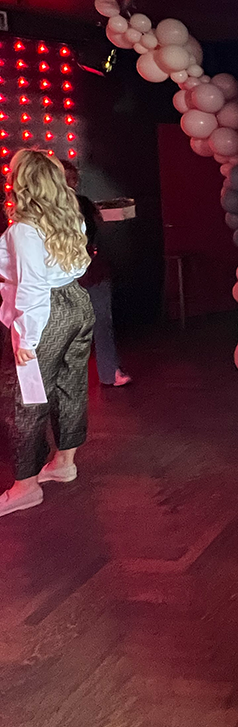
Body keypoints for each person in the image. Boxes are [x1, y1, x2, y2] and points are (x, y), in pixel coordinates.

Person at [0, 150, 94, 517]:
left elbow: (33, 288)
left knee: (25, 399)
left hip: (46, 314)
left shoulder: (25, 229)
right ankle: (63, 464)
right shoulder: (70, 214)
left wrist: (26, 337)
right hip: (76, 301)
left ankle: (25, 486)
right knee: (71, 386)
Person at [61, 160, 131, 387]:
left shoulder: (82, 202)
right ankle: (66, 377)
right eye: (67, 179)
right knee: (67, 325)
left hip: (91, 264)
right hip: (63, 269)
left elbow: (99, 228)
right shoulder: (49, 208)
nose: (72, 183)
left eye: (73, 179)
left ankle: (110, 371)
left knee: (102, 319)